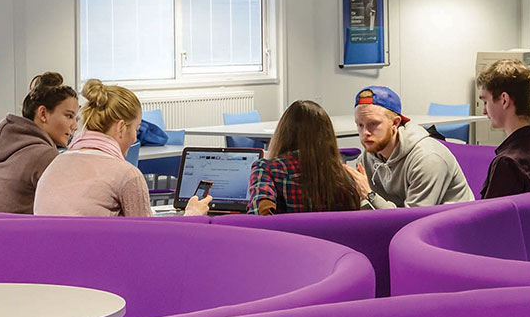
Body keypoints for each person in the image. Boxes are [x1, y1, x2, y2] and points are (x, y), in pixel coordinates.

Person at [185, 99, 359, 215]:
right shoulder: (343, 175)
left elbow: (259, 217)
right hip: (333, 252)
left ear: (283, 133)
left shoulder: (267, 170)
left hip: (285, 251)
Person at [34, 80, 152, 217]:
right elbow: (145, 229)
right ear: (121, 127)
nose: (135, 138)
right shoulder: (127, 174)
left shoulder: (54, 164)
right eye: (136, 129)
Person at [348, 86, 473, 209]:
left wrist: (370, 196)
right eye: (360, 125)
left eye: (373, 124)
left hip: (452, 220)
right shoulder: (367, 157)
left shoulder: (427, 159)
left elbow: (412, 218)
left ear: (395, 123)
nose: (365, 133)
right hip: (402, 218)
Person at [0, 72, 78, 214]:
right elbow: (69, 208)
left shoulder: (1, 146)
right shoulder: (44, 155)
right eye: (69, 116)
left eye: (76, 118)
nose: (75, 126)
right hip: (17, 229)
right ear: (43, 114)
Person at [477, 59, 530, 199]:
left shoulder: (507, 163)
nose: (484, 111)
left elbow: (491, 213)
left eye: (485, 102)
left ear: (504, 100)